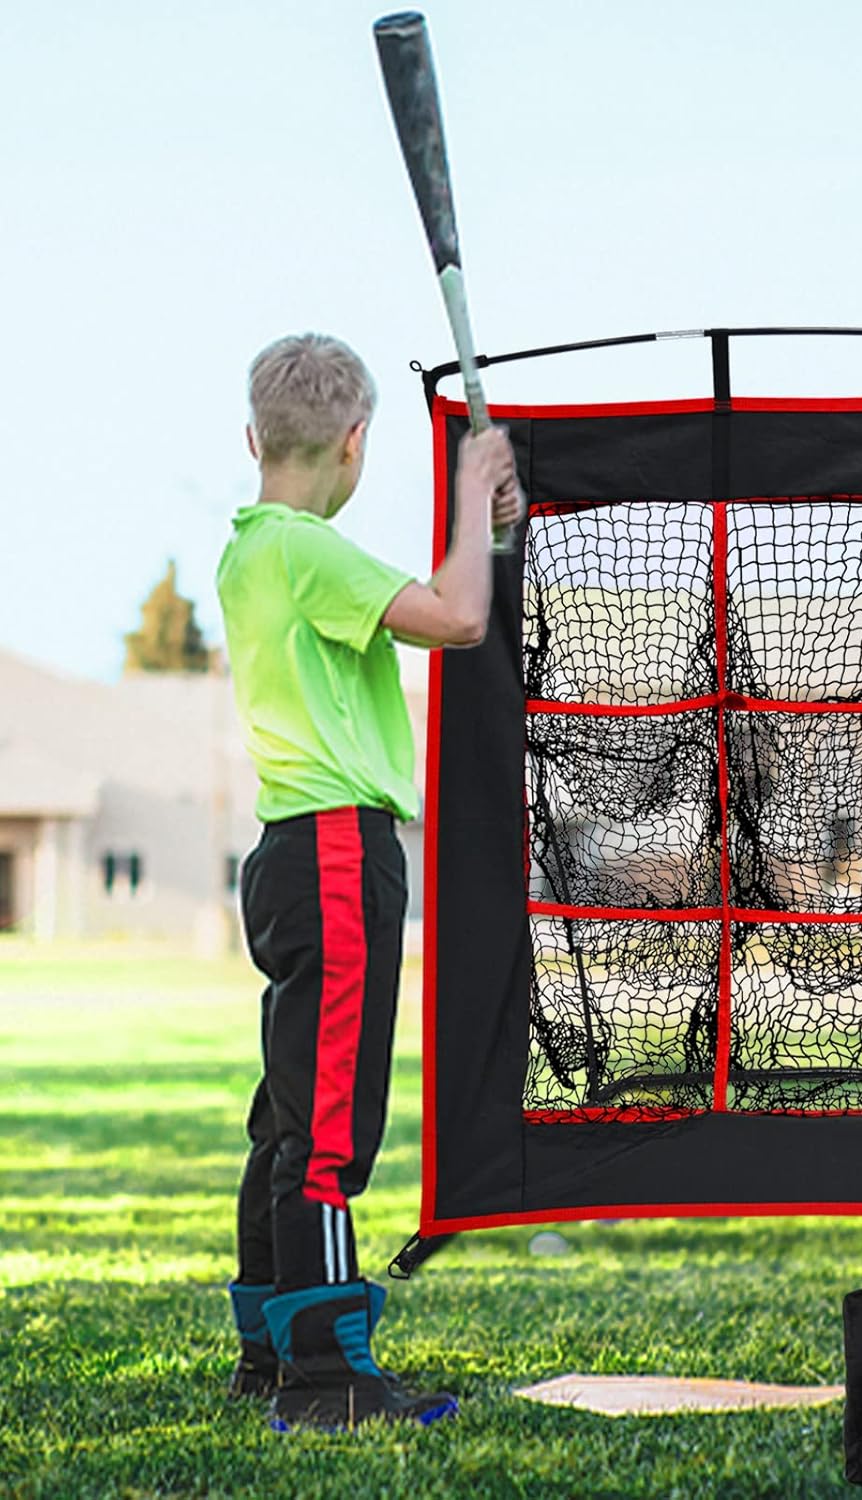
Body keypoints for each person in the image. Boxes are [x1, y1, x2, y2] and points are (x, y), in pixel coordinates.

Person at [215, 332, 520, 1431]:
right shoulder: (307, 552)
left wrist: (473, 527)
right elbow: (459, 616)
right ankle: (330, 1377)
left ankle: (266, 1351)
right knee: (331, 1127)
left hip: (288, 853)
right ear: (355, 445)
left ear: (255, 439)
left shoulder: (248, 551)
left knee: (286, 1116)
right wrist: (475, 493)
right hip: (338, 853)